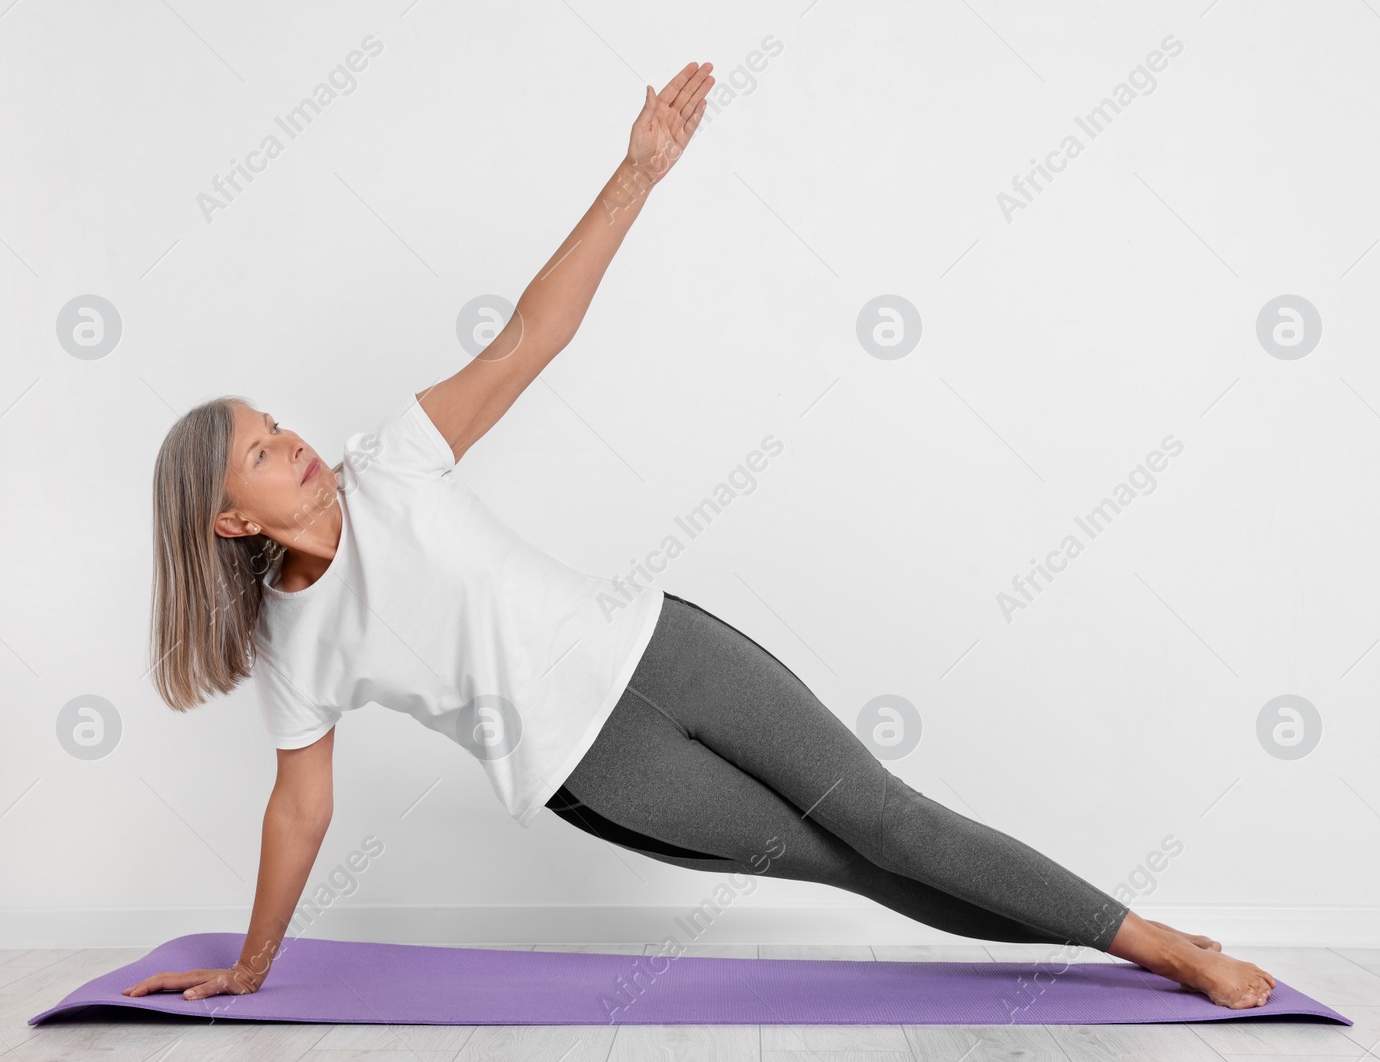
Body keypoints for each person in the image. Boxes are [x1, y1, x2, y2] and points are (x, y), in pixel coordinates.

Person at [124, 62, 1275, 1012]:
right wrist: (256, 959)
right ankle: (1121, 946)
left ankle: (1160, 941)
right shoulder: (289, 644)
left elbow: (531, 337)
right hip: (596, 766)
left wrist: (635, 175)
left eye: (277, 423)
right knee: (860, 868)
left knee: (891, 817)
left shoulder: (393, 458)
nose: (294, 442)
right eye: (263, 451)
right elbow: (300, 806)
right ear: (231, 516)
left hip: (661, 647)